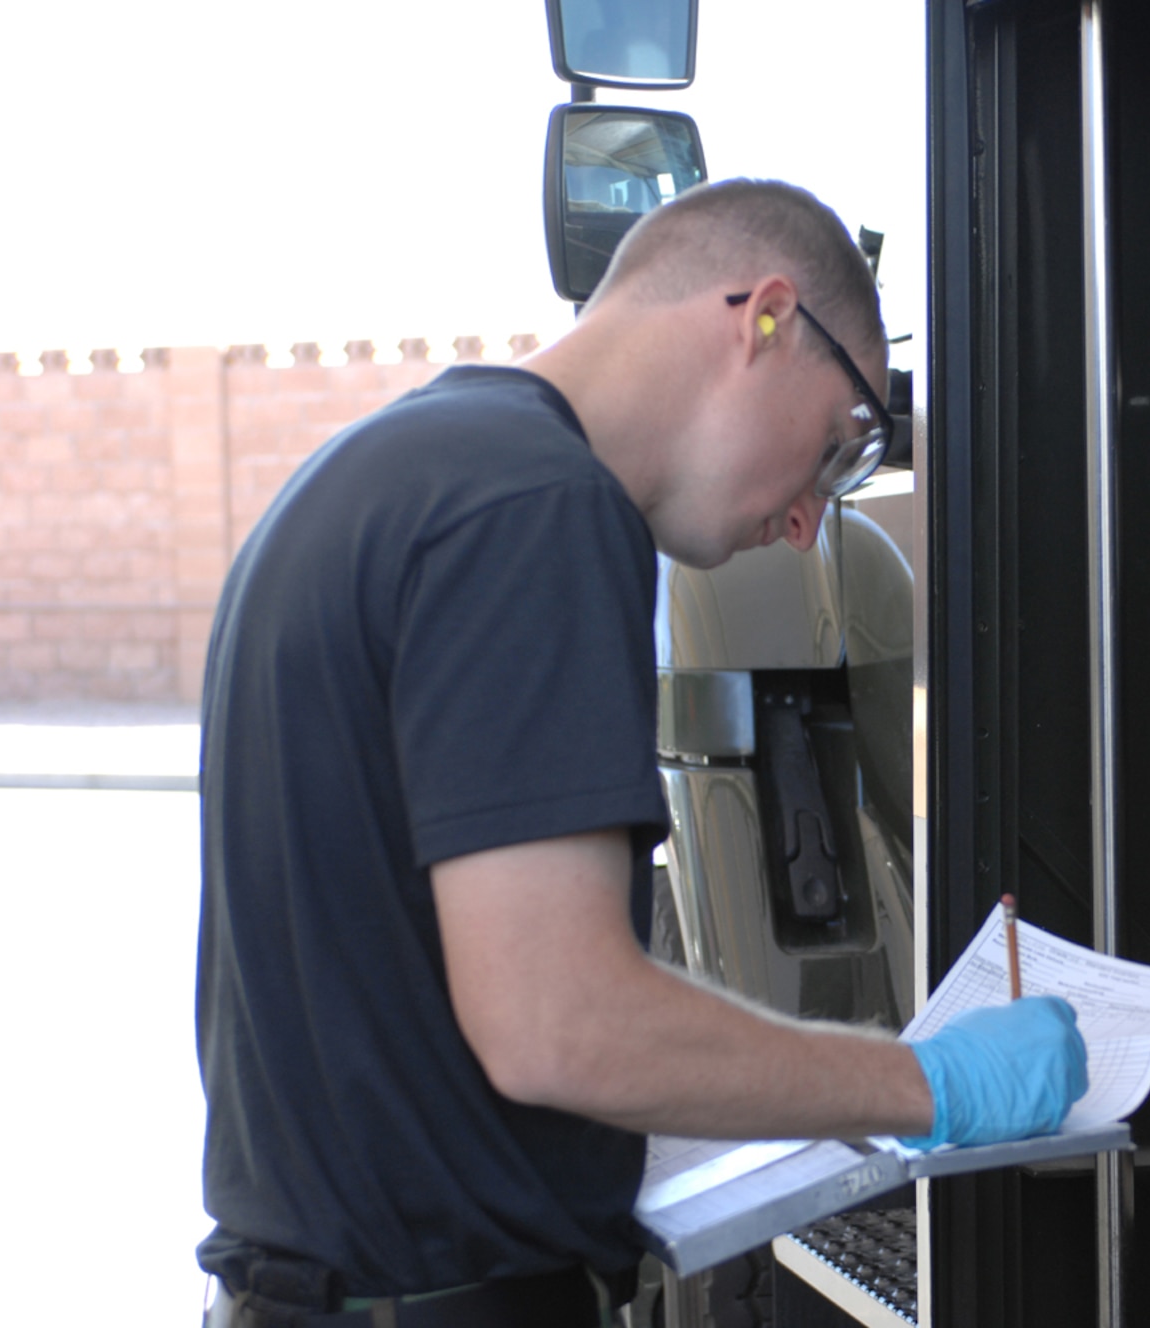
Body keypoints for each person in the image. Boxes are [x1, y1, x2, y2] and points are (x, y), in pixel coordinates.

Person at [195, 179, 1088, 1328]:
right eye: (833, 446)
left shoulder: (384, 469)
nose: (811, 521)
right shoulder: (537, 507)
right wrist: (929, 1083)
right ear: (764, 320)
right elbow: (559, 1023)